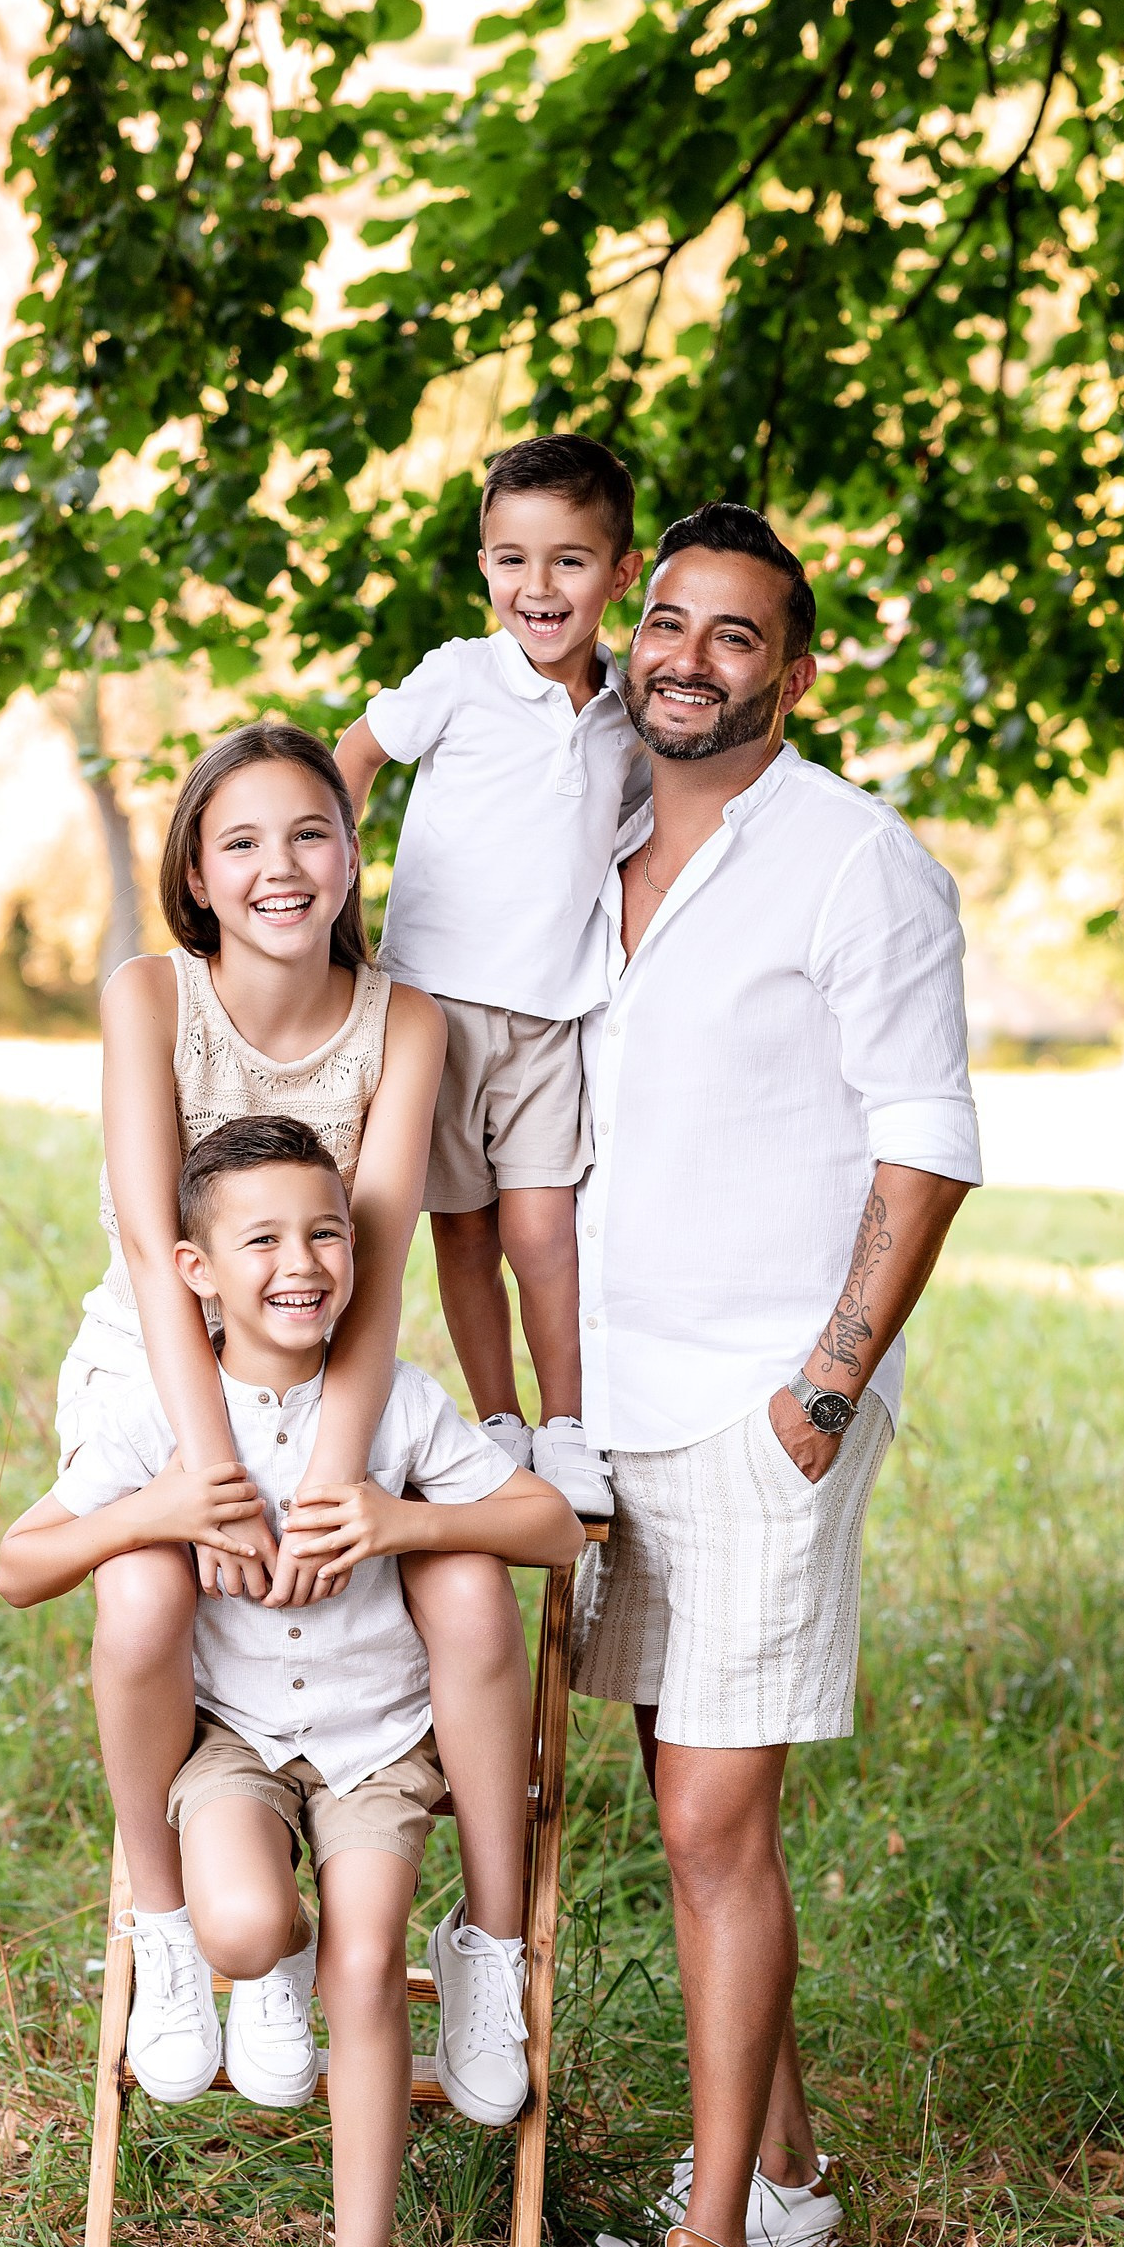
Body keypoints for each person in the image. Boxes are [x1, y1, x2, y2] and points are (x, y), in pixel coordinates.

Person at [571, 503, 982, 2247]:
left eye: (735, 636)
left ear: (790, 672)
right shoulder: (587, 830)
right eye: (667, 621)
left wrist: (824, 1383)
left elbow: (927, 1135)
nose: (686, 656)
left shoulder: (851, 861)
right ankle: (790, 2166)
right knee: (679, 1809)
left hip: (762, 1407)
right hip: (612, 1403)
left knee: (711, 1828)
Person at [0, 1117, 583, 2247]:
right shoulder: (163, 1408)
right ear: (195, 1270)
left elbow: (550, 1528)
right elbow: (18, 1564)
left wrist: (403, 1517)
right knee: (253, 1929)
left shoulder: (393, 1404)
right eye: (259, 1239)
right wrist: (153, 1512)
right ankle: (266, 1946)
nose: (300, 1263)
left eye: (323, 1232)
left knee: (367, 1965)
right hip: (233, 1747)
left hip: (376, 1746)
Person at [55, 722, 535, 2126]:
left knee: (449, 1568)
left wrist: (332, 1474)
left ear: (350, 855)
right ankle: (169, 1918)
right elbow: (155, 1251)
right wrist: (210, 1474)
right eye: (242, 841)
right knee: (144, 1591)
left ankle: (491, 1944)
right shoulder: (150, 996)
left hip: (337, 1358)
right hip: (158, 1361)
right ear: (195, 875)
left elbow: (376, 1256)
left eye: (311, 833)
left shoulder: (405, 1021)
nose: (281, 866)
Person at [336, 433, 650, 1523]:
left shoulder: (628, 717)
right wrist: (336, 895)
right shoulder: (458, 679)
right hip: (426, 1008)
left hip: (551, 1013)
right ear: (483, 567)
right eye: (510, 559)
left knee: (539, 1231)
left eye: (568, 560)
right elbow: (354, 757)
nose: (536, 585)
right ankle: (499, 1419)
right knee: (460, 1228)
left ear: (621, 575)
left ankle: (565, 1428)